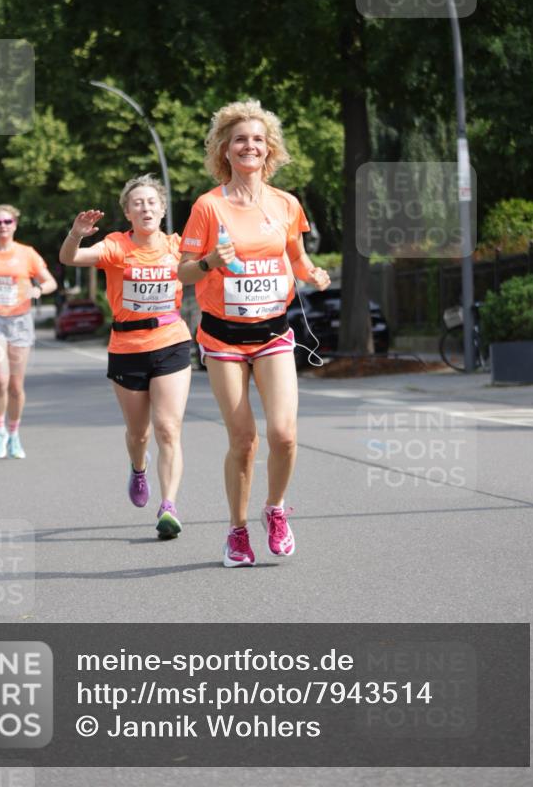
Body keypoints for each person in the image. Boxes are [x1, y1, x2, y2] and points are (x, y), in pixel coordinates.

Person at [178, 100, 330, 567]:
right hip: (223, 337)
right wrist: (210, 262)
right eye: (240, 139)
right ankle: (237, 531)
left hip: (273, 333)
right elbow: (183, 272)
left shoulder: (286, 204)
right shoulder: (208, 206)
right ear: (225, 149)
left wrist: (313, 274)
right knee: (244, 440)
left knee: (283, 434)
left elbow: (296, 256)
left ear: (270, 149)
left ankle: (275, 509)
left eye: (258, 139)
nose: (250, 146)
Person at [59, 175, 192, 539]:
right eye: (137, 203)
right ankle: (138, 468)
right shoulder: (116, 246)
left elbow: (210, 265)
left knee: (168, 428)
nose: (145, 208)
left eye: (152, 202)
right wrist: (76, 234)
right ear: (128, 213)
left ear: (162, 209)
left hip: (171, 340)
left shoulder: (179, 246)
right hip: (127, 347)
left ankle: (168, 506)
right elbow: (70, 258)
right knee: (139, 433)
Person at [0, 205, 57, 459]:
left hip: (19, 322)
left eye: (7, 221)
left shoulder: (27, 253)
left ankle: (14, 433)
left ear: (15, 224)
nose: (3, 226)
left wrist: (38, 290)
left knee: (16, 386)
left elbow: (50, 282)